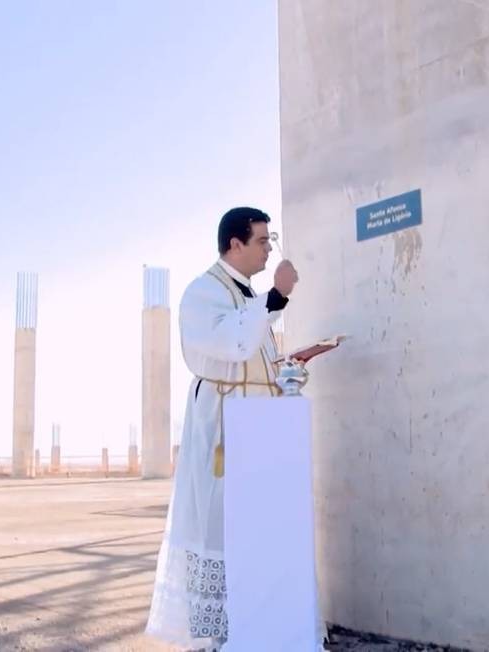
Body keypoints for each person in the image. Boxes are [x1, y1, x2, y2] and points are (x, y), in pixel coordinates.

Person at [145, 206, 299, 651]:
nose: (269, 248)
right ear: (235, 244)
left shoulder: (244, 292)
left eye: (271, 240)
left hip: (257, 424)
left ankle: (256, 613)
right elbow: (230, 342)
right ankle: (219, 633)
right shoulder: (202, 292)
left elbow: (254, 347)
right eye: (262, 241)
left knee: (256, 525)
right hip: (222, 425)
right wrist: (275, 298)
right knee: (219, 523)